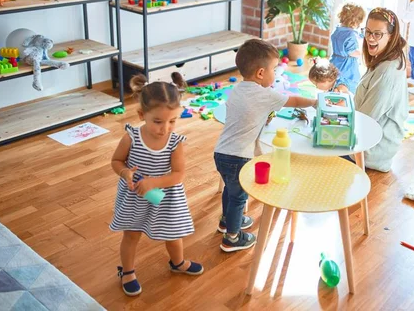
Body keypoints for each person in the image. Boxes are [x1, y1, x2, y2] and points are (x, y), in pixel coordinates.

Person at [214, 39, 317, 252]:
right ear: (261, 73)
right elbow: (295, 101)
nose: (276, 74)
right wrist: (315, 102)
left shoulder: (237, 89)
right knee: (239, 196)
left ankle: (227, 221)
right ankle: (232, 238)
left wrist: (263, 118)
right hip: (238, 157)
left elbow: (245, 114)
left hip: (221, 152)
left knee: (229, 190)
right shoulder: (265, 94)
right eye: (274, 70)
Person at [110, 73, 203, 297]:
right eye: (158, 122)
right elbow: (116, 161)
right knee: (131, 234)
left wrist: (154, 183)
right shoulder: (131, 137)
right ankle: (128, 271)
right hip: (135, 195)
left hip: (166, 196)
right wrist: (125, 173)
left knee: (173, 233)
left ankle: (177, 262)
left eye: (173, 121)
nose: (165, 128)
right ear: (142, 115)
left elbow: (179, 174)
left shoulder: (175, 142)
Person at [354, 7, 409, 172]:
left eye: (377, 34)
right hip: (368, 141)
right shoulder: (386, 58)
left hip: (371, 151)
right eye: (368, 31)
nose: (370, 38)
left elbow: (365, 119)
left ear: (391, 36)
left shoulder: (387, 71)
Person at [329, 3, 366, 92]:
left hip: (335, 60)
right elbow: (351, 52)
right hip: (347, 64)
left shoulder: (337, 30)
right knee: (346, 82)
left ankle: (333, 91)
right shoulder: (350, 35)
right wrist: (362, 53)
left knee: (334, 78)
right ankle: (340, 93)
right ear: (356, 21)